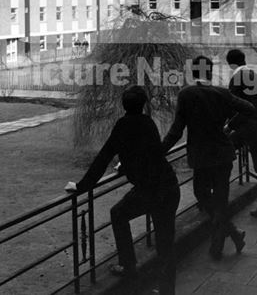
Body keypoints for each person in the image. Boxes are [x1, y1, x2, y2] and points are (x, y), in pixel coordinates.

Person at [65, 86, 180, 294]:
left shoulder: (123, 125)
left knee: (118, 214)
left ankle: (129, 266)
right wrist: (127, 165)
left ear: (123, 105)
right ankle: (166, 290)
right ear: (143, 104)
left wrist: (82, 186)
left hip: (150, 190)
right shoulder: (148, 122)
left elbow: (104, 158)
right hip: (168, 186)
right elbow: (149, 152)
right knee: (165, 243)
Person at [161, 55, 253, 260]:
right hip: (223, 154)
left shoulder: (187, 94)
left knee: (202, 194)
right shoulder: (222, 93)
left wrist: (159, 151)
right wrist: (230, 126)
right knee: (220, 200)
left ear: (194, 72)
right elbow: (249, 108)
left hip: (202, 156)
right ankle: (227, 238)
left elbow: (176, 131)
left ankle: (224, 240)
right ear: (210, 72)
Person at [224, 48, 257, 221]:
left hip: (247, 128)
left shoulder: (236, 79)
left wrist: (229, 125)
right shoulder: (254, 76)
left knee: (223, 153)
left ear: (230, 63)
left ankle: (218, 199)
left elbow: (236, 107)